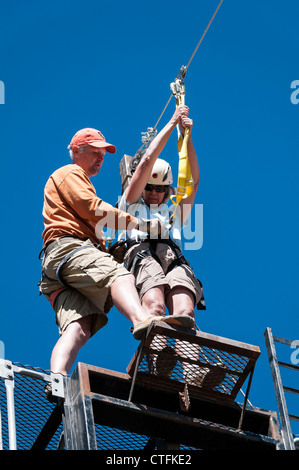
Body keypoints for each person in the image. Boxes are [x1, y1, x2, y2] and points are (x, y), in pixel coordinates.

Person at [39, 127, 195, 379]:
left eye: (103, 154)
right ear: (76, 151)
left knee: (79, 329)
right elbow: (94, 208)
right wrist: (139, 224)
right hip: (68, 249)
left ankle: (56, 380)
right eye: (94, 152)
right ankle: (143, 321)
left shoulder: (76, 180)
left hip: (56, 271)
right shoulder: (70, 173)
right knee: (120, 277)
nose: (100, 158)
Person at [118, 106, 207, 384]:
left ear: (168, 190)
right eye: (149, 188)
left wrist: (187, 136)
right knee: (155, 306)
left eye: (160, 189)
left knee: (185, 313)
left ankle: (193, 371)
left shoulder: (172, 213)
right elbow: (144, 166)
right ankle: (159, 359)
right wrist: (171, 124)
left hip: (171, 254)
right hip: (142, 252)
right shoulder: (129, 204)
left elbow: (192, 180)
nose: (154, 193)